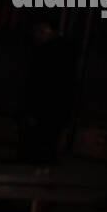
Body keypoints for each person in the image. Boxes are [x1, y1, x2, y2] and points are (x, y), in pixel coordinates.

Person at [17, 21, 75, 163]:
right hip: (54, 109)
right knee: (47, 146)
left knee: (37, 146)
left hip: (43, 109)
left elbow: (38, 83)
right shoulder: (66, 52)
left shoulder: (46, 53)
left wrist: (30, 108)